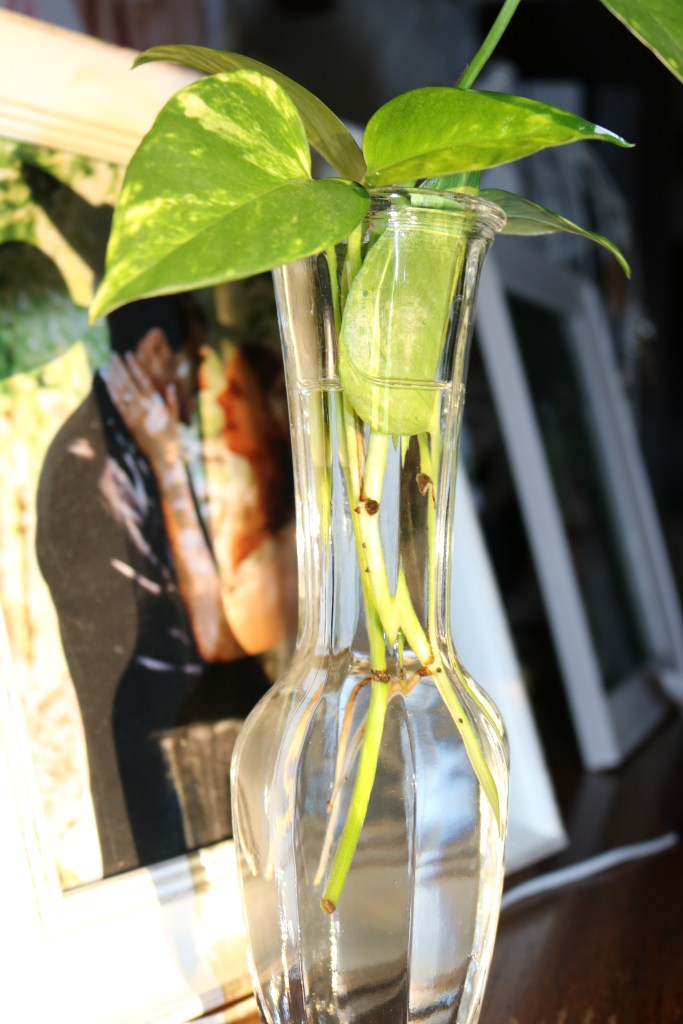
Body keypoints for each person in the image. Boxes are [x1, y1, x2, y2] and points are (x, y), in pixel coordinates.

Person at [36, 296, 271, 877]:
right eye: (196, 358)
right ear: (157, 350)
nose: (202, 389)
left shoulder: (141, 442)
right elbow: (176, 643)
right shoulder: (93, 464)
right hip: (165, 772)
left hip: (193, 754)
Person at [107, 339, 298, 665]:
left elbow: (225, 639)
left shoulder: (302, 533)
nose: (220, 399)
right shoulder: (245, 501)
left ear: (271, 407)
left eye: (237, 391)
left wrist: (166, 463)